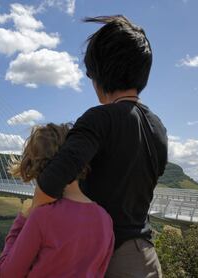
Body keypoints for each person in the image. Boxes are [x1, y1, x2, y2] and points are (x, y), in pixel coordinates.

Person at [35, 16, 168, 277]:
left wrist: (27, 227)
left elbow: (49, 184)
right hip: (146, 257)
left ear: (100, 73)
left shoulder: (99, 119)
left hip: (107, 260)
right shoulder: (158, 127)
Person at [0, 123, 114, 278]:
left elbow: (7, 274)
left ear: (38, 166)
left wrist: (23, 218)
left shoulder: (42, 217)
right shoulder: (105, 219)